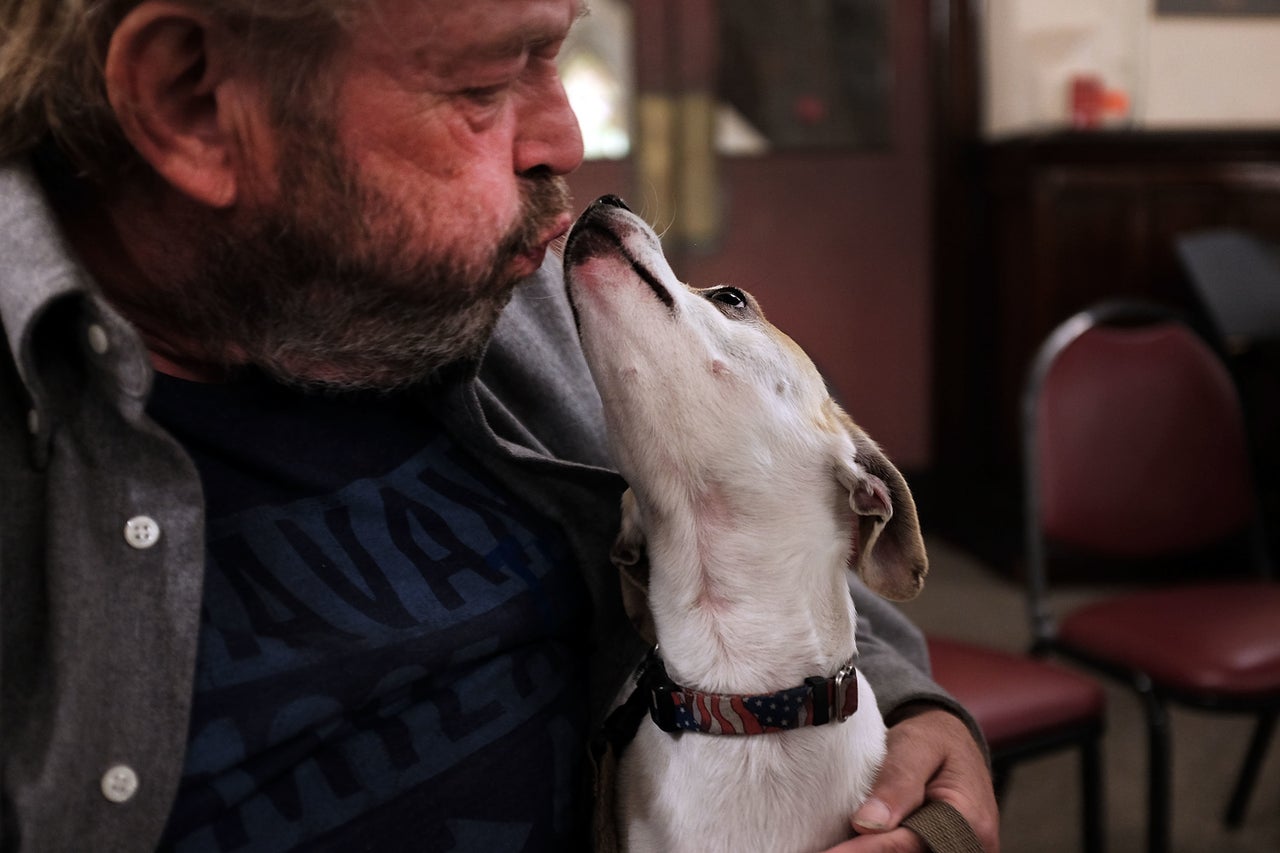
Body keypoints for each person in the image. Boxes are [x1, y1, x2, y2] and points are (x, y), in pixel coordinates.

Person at [0, 1, 998, 851]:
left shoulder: (488, 282)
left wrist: (904, 712)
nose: (564, 141)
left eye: (555, 49)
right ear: (192, 99)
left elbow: (781, 540)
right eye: (484, 83)